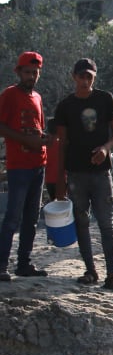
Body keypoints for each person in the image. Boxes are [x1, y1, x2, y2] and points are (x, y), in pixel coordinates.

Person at [53, 58, 113, 293]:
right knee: (82, 222)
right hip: (76, 173)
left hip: (101, 172)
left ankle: (112, 275)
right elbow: (62, 143)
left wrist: (106, 148)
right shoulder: (66, 106)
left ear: (94, 78)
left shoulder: (105, 99)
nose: (85, 81)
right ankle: (90, 270)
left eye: (90, 77)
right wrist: (60, 181)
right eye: (82, 76)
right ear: (74, 77)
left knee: (107, 224)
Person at [0, 51, 48, 281]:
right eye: (27, 72)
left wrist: (46, 139)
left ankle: (24, 263)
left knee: (32, 217)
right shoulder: (10, 94)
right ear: (18, 72)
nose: (31, 76)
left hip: (38, 163)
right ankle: (1, 265)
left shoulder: (37, 97)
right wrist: (26, 140)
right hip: (19, 165)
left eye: (35, 73)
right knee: (12, 217)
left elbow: (38, 127)